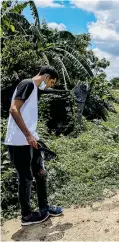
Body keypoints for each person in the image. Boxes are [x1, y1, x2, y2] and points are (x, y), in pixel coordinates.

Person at [4, 66, 66, 226]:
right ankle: (26, 216)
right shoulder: (28, 84)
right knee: (25, 178)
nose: (50, 86)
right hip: (18, 141)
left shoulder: (34, 90)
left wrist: (33, 136)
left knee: (40, 172)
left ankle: (44, 208)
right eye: (51, 82)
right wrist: (27, 135)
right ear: (46, 76)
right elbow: (13, 109)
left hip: (30, 139)